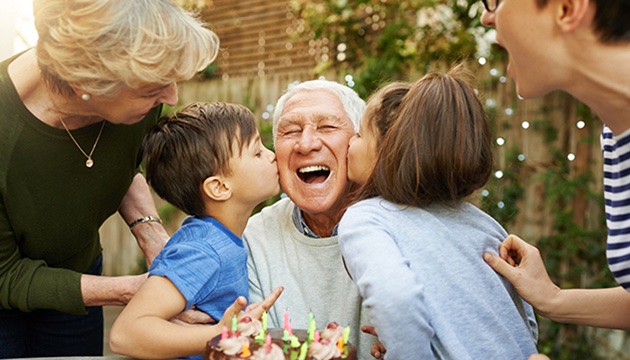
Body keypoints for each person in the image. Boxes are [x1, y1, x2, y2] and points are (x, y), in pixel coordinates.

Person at [0, 0, 220, 357]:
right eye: (153, 89)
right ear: (86, 80)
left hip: (80, 272)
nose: (171, 97)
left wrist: (151, 235)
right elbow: (5, 274)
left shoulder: (139, 102)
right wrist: (132, 290)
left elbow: (114, 163)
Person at [338, 65, 539, 359]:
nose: (349, 143)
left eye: (358, 135)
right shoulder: (487, 224)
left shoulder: (366, 219)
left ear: (387, 150)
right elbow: (525, 320)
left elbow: (397, 300)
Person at [478, 0, 630, 334]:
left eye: (496, 2)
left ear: (566, 8)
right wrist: (553, 299)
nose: (486, 17)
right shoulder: (617, 135)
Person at [109, 102, 284, 359]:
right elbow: (126, 334)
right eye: (257, 152)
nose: (272, 155)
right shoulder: (202, 250)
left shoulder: (217, 238)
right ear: (219, 187)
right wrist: (225, 334)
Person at [243, 79, 378, 359]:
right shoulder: (255, 235)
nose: (306, 144)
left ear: (358, 143)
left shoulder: (401, 226)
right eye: (290, 131)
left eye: (327, 127)